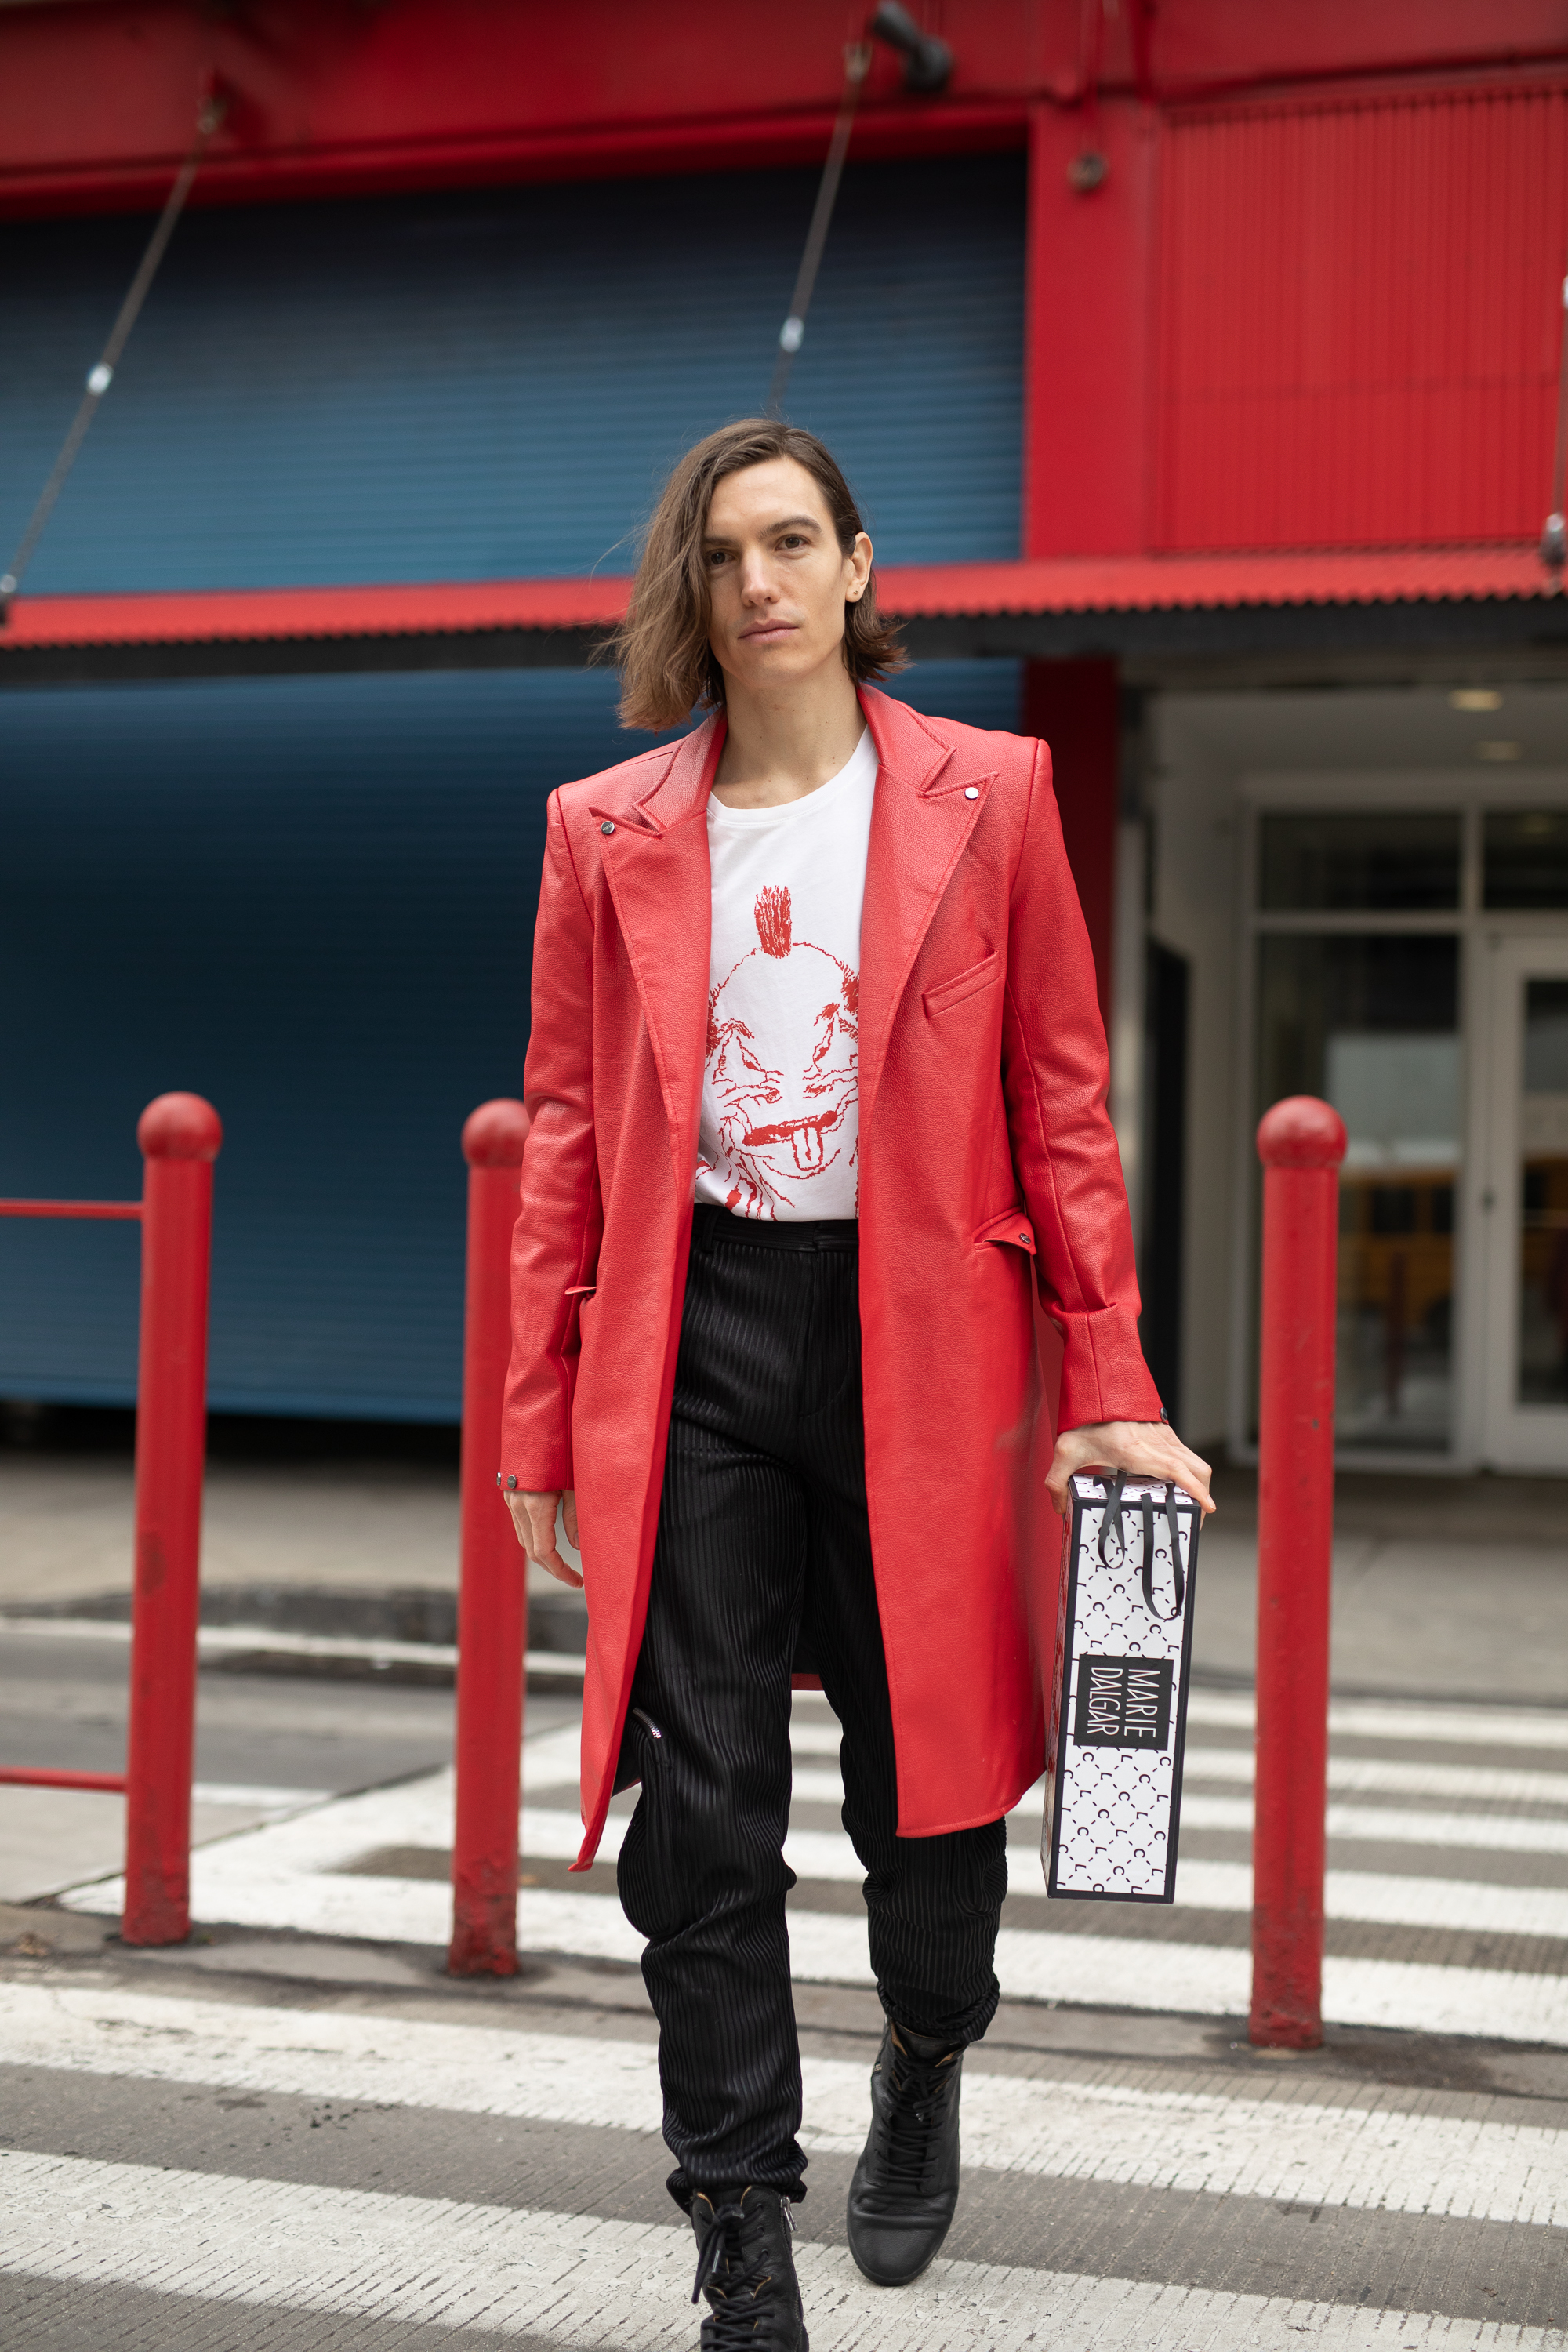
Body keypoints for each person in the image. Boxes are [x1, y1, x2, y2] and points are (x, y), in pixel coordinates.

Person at [500, 418, 1214, 2350]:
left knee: (930, 1803)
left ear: (859, 565)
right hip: (696, 1338)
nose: (760, 581)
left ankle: (926, 2045)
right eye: (724, 552)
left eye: (793, 541)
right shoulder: (605, 828)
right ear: (694, 590)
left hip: (927, 1344)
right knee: (703, 1809)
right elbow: (565, 1129)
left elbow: (1062, 1103)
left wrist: (1108, 1372)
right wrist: (537, 1414)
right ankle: (737, 2226)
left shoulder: (994, 792)